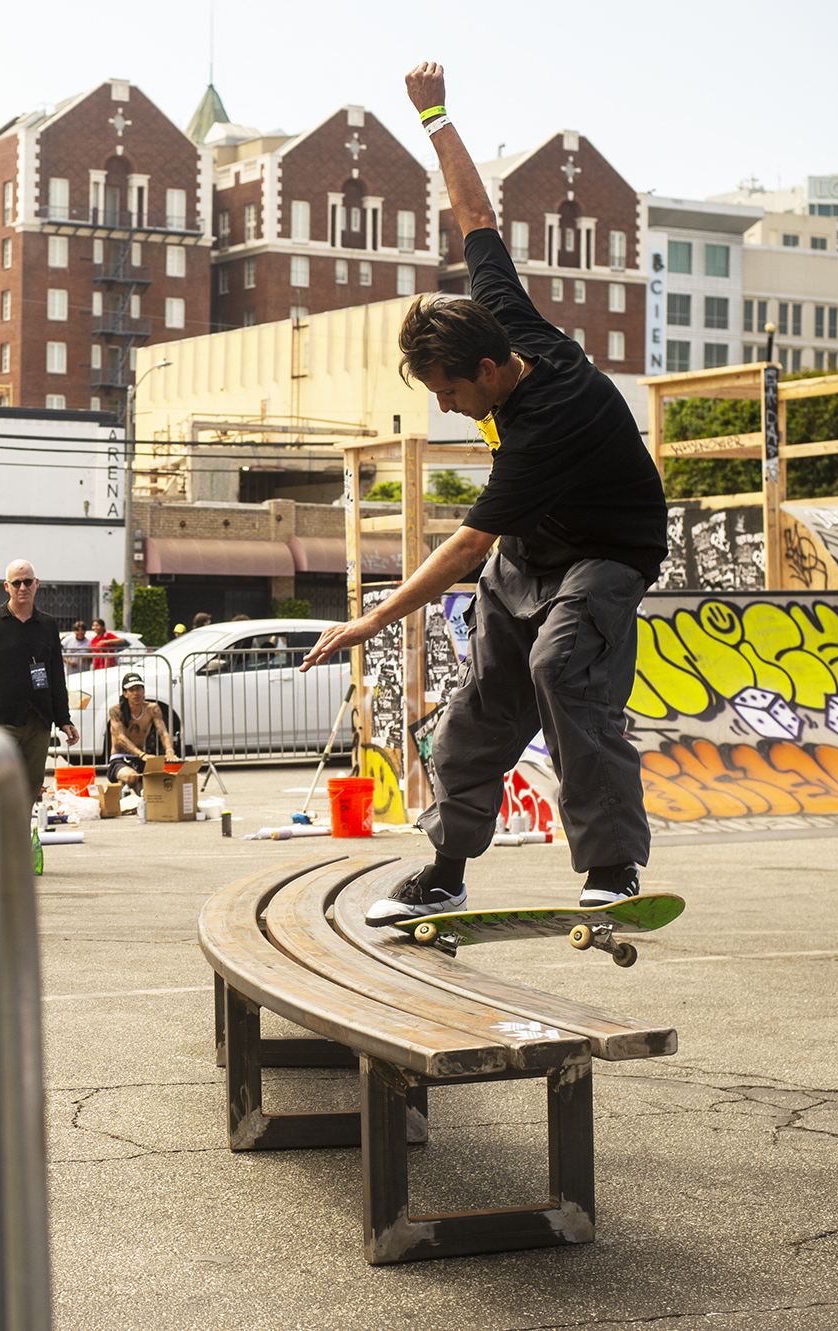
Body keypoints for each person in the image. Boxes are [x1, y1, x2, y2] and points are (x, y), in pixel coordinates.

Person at [301, 60, 667, 925]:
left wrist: (370, 620)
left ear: (493, 368)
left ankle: (612, 864)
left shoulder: (552, 420)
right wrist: (434, 115)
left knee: (559, 666)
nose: (447, 406)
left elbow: (466, 547)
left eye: (453, 393)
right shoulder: (496, 309)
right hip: (531, 551)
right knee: (478, 710)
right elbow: (476, 215)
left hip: (607, 555)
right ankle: (447, 868)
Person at [0, 559, 78, 800]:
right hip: (2, 721)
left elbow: (55, 674)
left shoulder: (47, 624)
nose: (22, 588)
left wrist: (64, 718)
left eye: (27, 582)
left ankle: (20, 838)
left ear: (36, 584)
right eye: (16, 583)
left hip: (38, 722)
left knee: (30, 788)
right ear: (6, 586)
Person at [105, 672, 177, 792]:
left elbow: (163, 732)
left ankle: (132, 795)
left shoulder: (152, 709)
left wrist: (170, 751)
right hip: (120, 759)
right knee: (131, 777)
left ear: (143, 691)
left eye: (138, 689)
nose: (135, 693)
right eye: (131, 690)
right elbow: (121, 738)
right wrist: (142, 755)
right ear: (125, 693)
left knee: (158, 786)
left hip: (140, 759)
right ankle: (122, 790)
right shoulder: (116, 711)